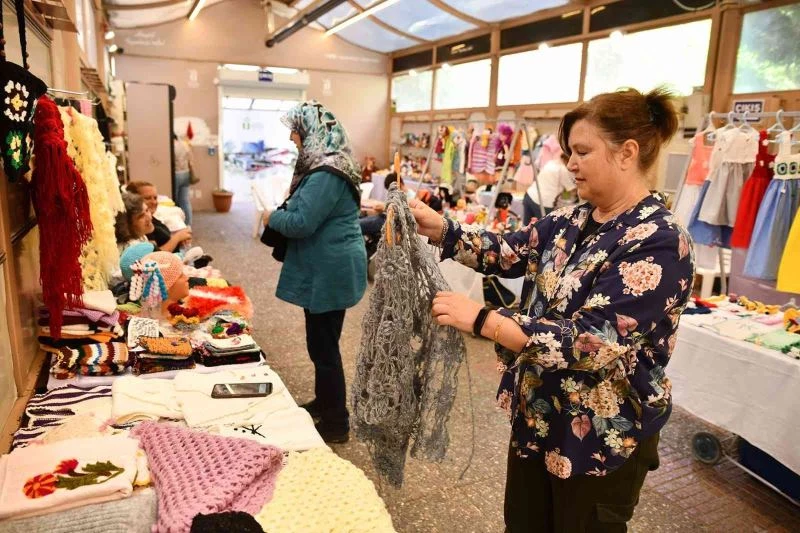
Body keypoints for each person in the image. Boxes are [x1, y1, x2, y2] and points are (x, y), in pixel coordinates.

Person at [409, 87, 695, 532]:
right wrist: (440, 228)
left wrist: (484, 319)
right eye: (569, 153)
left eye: (582, 151)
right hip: (540, 415)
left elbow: (591, 341)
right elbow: (506, 250)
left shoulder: (659, 241)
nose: (571, 163)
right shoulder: (571, 220)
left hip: (603, 434)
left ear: (627, 153)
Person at [262, 100, 366, 443]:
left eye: (295, 130)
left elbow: (302, 223)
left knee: (324, 348)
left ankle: (336, 423)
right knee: (321, 343)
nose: (292, 137)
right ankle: (325, 403)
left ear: (311, 132)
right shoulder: (329, 166)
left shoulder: (326, 173)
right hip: (328, 263)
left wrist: (271, 217)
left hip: (330, 269)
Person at [126, 181, 193, 252]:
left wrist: (180, 240)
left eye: (155, 198)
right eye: (148, 198)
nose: (154, 202)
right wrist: (177, 238)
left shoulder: (152, 219)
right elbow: (155, 254)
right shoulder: (142, 228)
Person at [523, 152, 576, 225]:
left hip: (529, 195)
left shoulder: (551, 163)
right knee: (544, 228)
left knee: (526, 227)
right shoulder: (563, 170)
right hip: (543, 203)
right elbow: (572, 190)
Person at [173, 133, 193, 226]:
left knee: (175, 201)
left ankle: (178, 224)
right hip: (186, 173)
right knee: (185, 201)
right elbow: (191, 160)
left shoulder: (171, 146)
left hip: (176, 174)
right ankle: (188, 224)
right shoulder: (185, 144)